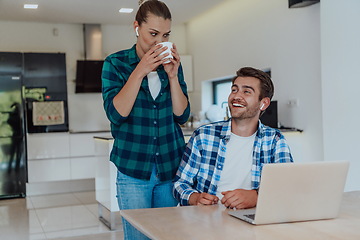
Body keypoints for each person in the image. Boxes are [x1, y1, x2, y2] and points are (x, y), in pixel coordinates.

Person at [101, 0, 190, 239]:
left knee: (167, 235)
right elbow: (117, 114)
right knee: (138, 236)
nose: (159, 41)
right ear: (136, 27)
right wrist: (140, 70)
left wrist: (172, 77)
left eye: (165, 35)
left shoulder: (172, 66)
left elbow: (182, 115)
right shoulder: (115, 63)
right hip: (133, 170)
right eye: (153, 33)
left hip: (170, 167)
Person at [173, 67, 293, 210]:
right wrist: (195, 198)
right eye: (234, 90)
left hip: (251, 219)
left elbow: (286, 188)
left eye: (246, 91)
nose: (236, 96)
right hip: (205, 219)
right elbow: (180, 184)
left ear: (264, 103)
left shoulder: (275, 140)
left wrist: (256, 196)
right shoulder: (204, 135)